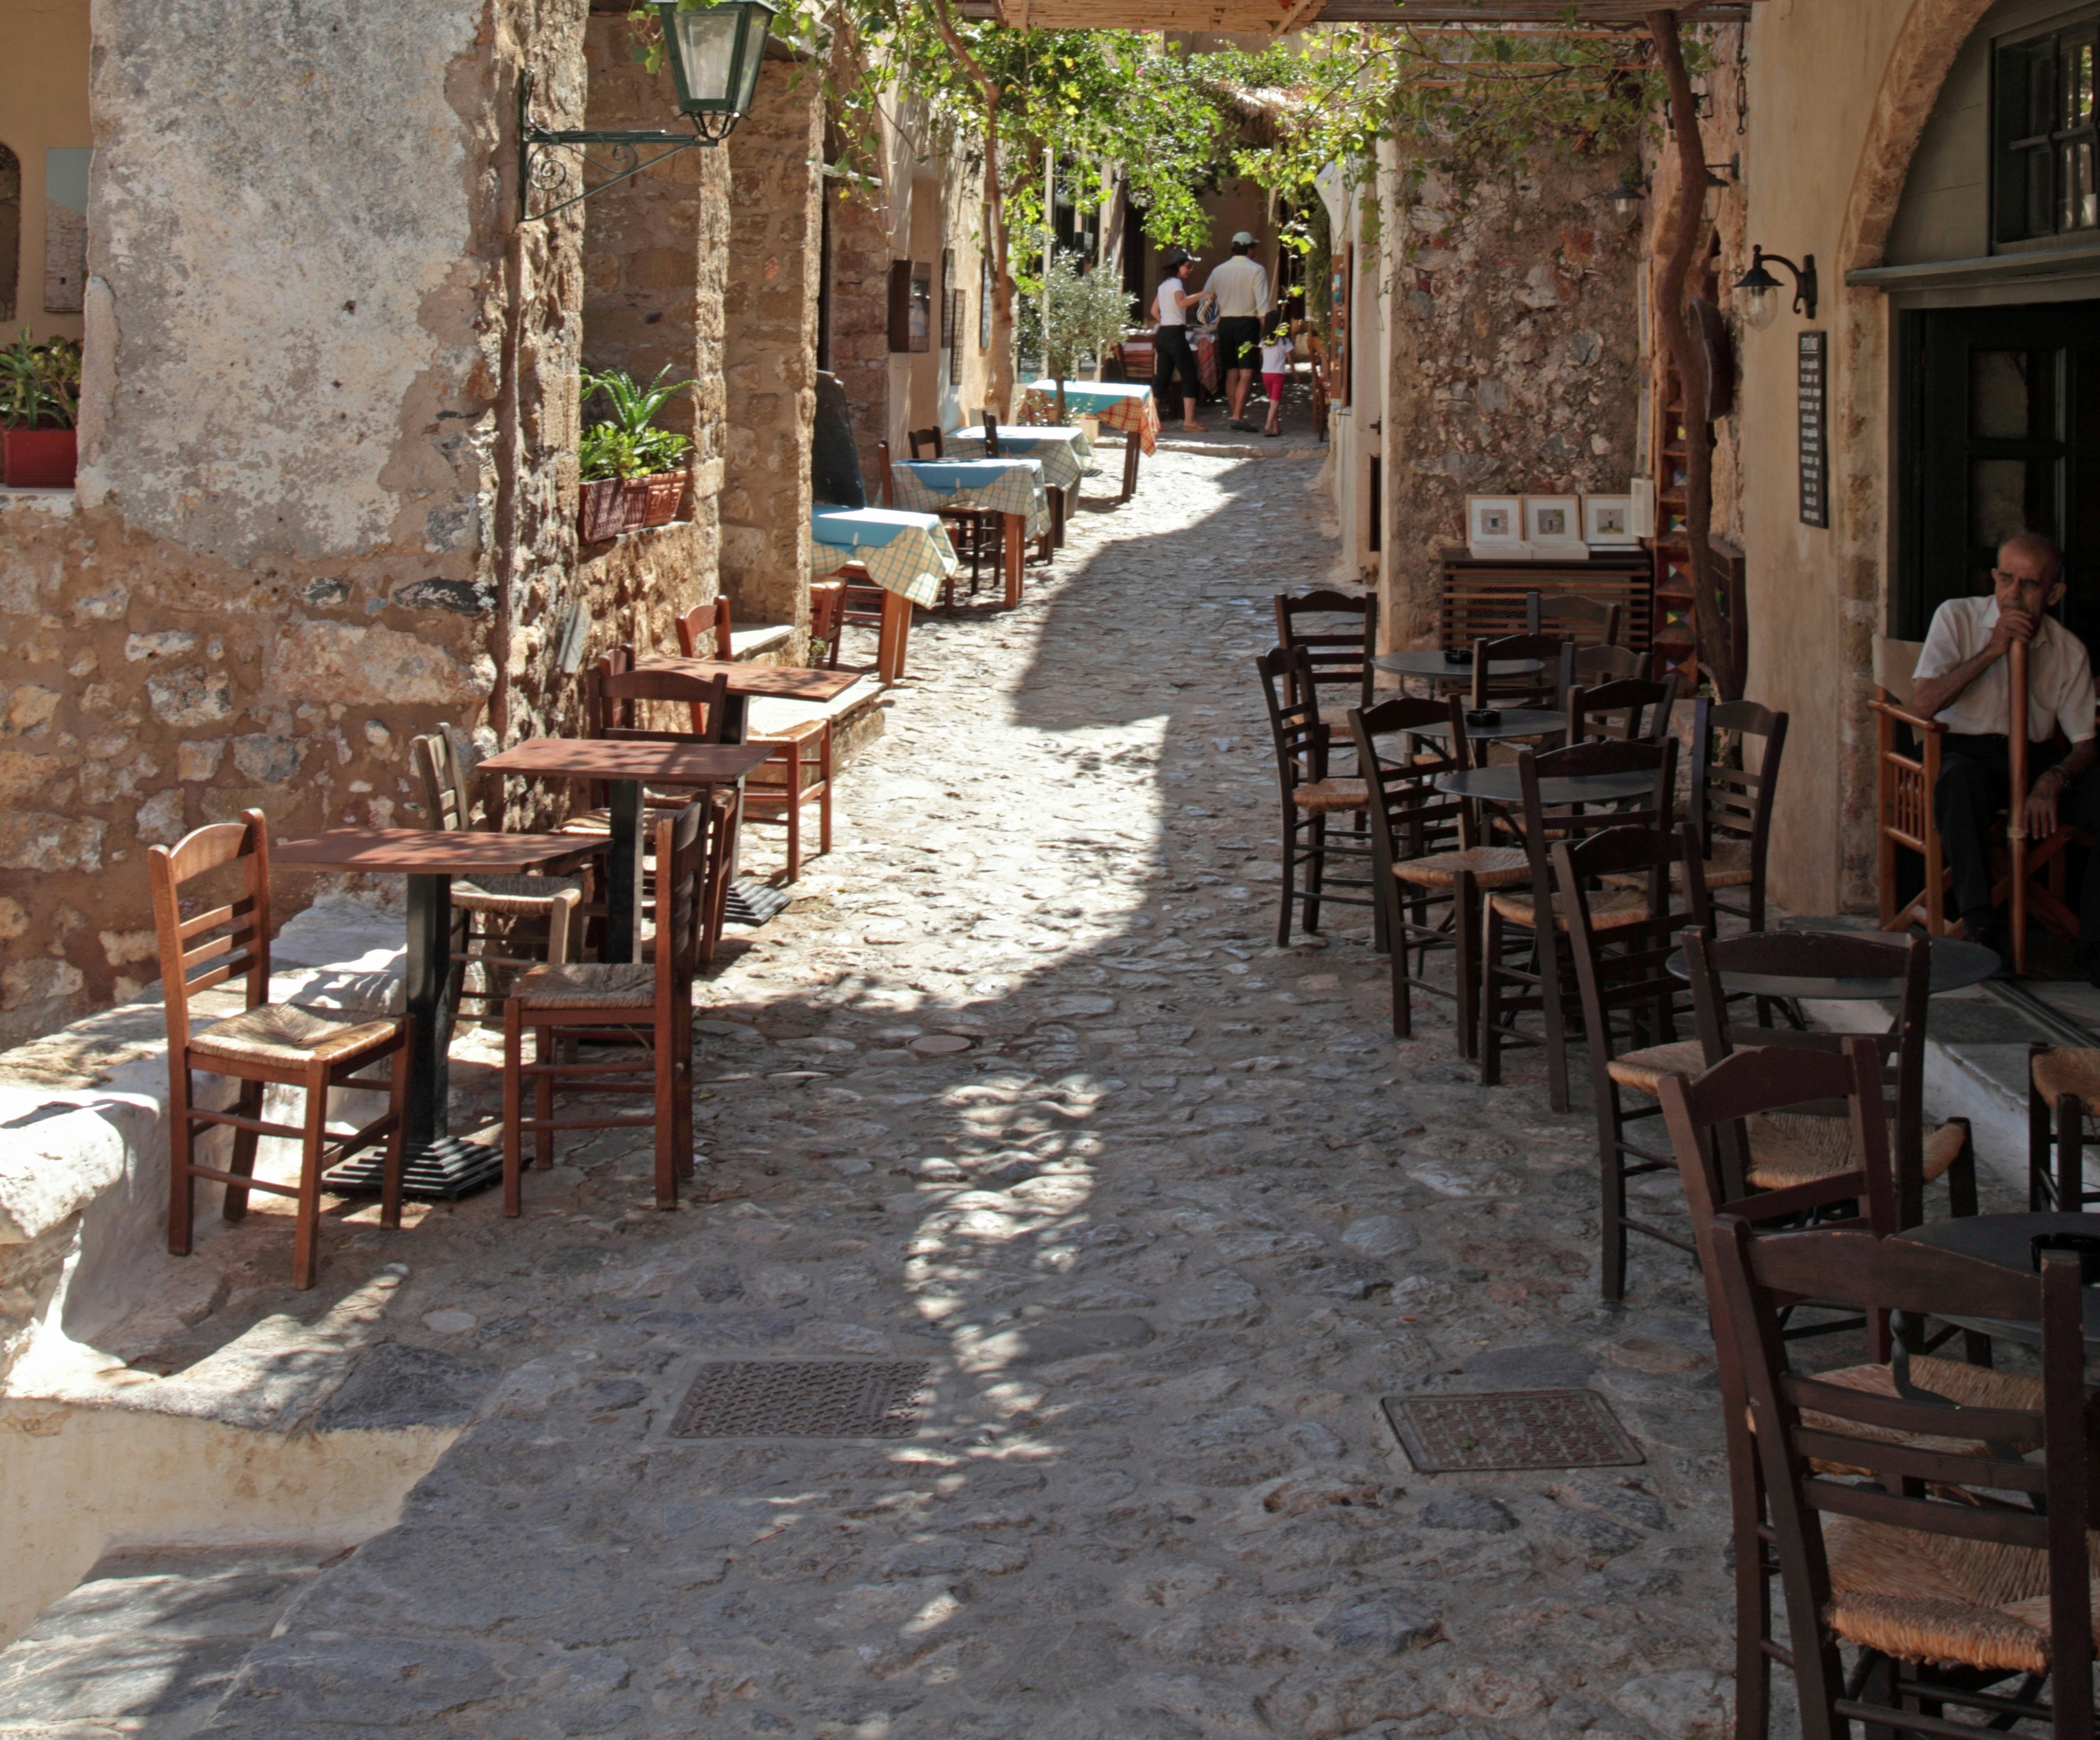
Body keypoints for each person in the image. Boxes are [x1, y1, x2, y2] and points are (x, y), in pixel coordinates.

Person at [1913, 532, 2100, 973]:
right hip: (1963, 752)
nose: (2013, 594)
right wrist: (1994, 649)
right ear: (1993, 578)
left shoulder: (2067, 650)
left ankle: (2094, 944)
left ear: (2054, 593)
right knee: (1958, 780)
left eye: (2030, 584)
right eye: (2005, 578)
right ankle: (1981, 928)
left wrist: (2054, 778)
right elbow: (1924, 703)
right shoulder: (1956, 618)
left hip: (2033, 761)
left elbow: (2084, 745)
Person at [1201, 231, 1273, 432]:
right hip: (1246, 323)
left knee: (1231, 371)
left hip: (1225, 324)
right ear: (1250, 248)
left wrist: (1213, 320)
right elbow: (1263, 307)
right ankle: (1238, 416)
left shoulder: (1218, 271)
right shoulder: (1256, 270)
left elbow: (1206, 297)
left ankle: (1236, 415)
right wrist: (1268, 336)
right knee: (1247, 372)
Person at [1149, 250, 1207, 434]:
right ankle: (1189, 421)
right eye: (1188, 266)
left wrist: (1166, 321)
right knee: (1190, 375)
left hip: (1164, 334)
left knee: (1162, 378)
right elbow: (1182, 303)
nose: (1190, 270)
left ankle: (1151, 422)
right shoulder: (1176, 283)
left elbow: (1153, 311)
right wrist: (1203, 294)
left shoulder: (1164, 285)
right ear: (1178, 266)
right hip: (1174, 334)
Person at [1258, 317, 1292, 438]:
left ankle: (1276, 428)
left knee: (1273, 402)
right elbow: (1290, 358)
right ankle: (1268, 425)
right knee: (1275, 402)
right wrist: (1295, 373)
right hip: (1278, 374)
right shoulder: (1285, 341)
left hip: (1265, 373)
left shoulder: (1264, 341)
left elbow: (1262, 354)